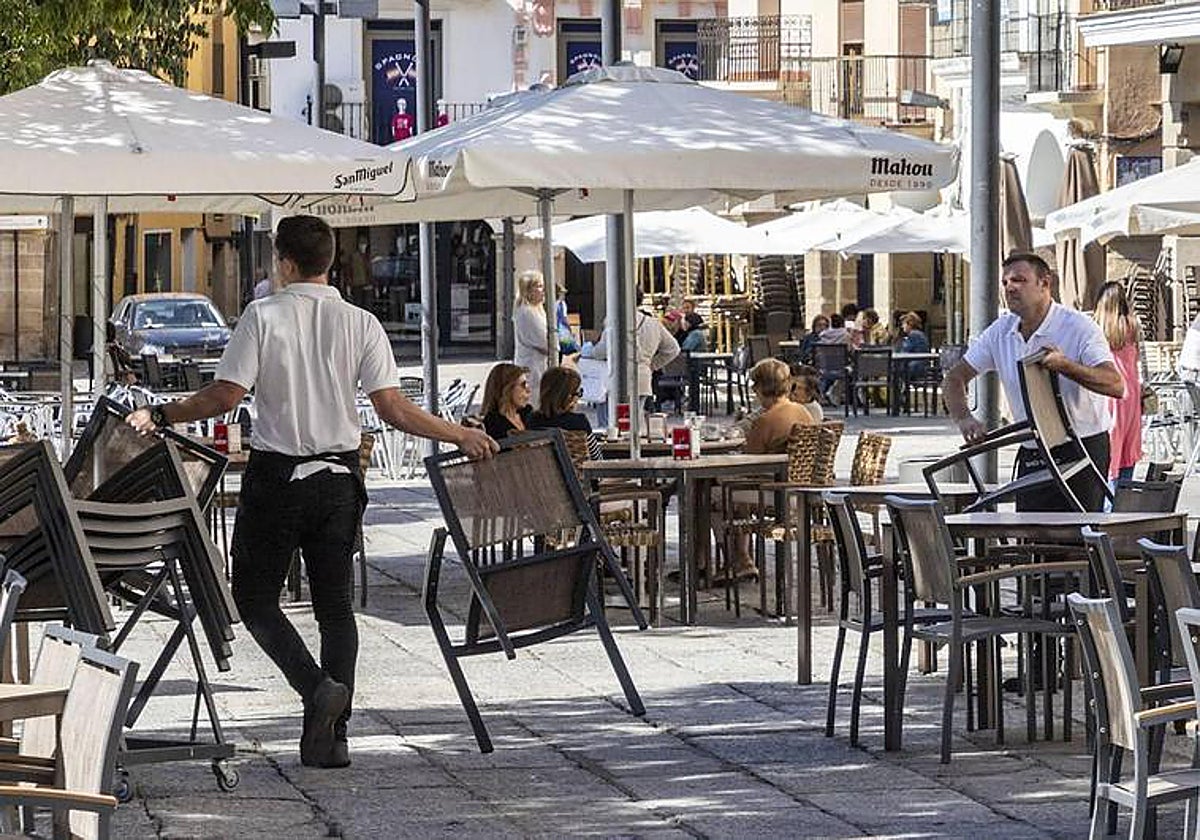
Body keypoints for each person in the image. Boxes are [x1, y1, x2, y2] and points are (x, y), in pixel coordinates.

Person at [125, 215, 496, 769]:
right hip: (340, 480)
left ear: (285, 261)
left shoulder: (263, 315)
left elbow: (226, 396)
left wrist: (163, 413)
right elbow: (393, 409)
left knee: (253, 598)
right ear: (330, 262)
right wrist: (461, 433)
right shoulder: (361, 322)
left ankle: (315, 689)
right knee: (335, 609)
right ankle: (330, 739)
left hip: (277, 476)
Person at [942, 252, 1124, 511]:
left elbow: (1116, 385)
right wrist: (964, 418)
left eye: (1019, 280)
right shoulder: (1001, 331)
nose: (1010, 288)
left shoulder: (1078, 327)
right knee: (1030, 531)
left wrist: (1066, 366)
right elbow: (954, 378)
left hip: (1082, 446)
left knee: (1077, 537)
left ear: (1044, 283)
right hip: (1033, 447)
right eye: (1005, 283)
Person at [721, 358, 815, 581]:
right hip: (800, 489)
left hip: (774, 492)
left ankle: (733, 559)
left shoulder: (765, 420)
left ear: (760, 388)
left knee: (711, 494)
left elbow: (750, 464)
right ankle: (740, 558)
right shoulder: (803, 412)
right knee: (724, 491)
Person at [590, 299, 680, 422]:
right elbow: (673, 349)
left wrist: (590, 350)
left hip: (616, 377)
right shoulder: (653, 324)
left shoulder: (614, 321)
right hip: (642, 377)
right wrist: (652, 365)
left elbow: (602, 352)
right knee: (634, 422)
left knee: (612, 424)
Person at [1092, 281, 1142, 482]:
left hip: (1107, 392)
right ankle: (1122, 495)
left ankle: (1108, 499)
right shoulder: (1133, 326)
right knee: (1128, 447)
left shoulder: (1096, 328)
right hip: (1131, 394)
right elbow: (1140, 362)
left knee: (1111, 445)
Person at [529, 366, 603, 460]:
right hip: (577, 474)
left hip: (541, 474)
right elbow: (597, 459)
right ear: (569, 397)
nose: (579, 398)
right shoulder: (579, 422)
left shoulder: (533, 420)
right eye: (579, 393)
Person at [512, 270, 550, 408]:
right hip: (533, 367)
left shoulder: (536, 310)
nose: (544, 290)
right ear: (528, 290)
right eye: (539, 286)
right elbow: (545, 342)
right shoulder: (527, 312)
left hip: (536, 366)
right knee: (533, 404)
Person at [480, 362, 534, 440]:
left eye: (527, 384)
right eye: (523, 385)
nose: (528, 390)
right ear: (507, 389)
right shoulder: (493, 423)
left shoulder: (527, 413)